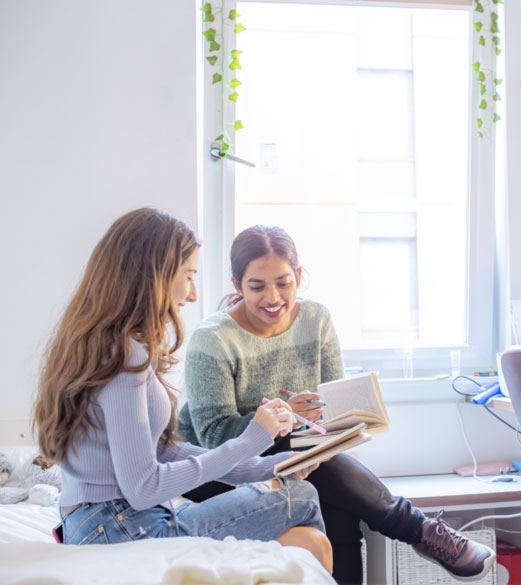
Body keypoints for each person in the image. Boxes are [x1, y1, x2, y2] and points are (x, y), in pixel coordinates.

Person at [178, 225, 495, 584]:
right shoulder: (213, 338)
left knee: (340, 511)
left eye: (284, 283)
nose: (273, 297)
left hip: (299, 452)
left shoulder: (316, 319)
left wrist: (330, 444)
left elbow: (331, 404)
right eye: (257, 286)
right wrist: (282, 416)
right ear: (237, 285)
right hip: (214, 469)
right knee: (294, 442)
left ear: (299, 276)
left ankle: (416, 528)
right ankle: (418, 529)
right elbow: (213, 437)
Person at [31, 209, 332, 572]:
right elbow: (143, 486)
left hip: (105, 525)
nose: (191, 294)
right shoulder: (126, 356)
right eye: (188, 276)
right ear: (155, 276)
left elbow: (161, 450)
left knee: (302, 525)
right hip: (122, 529)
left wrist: (268, 465)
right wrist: (254, 438)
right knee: (300, 498)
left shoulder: (106, 345)